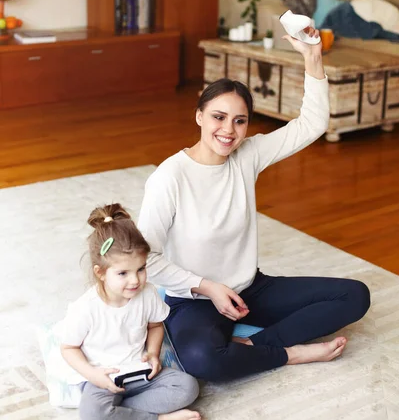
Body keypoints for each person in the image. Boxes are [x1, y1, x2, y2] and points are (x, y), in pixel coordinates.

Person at [137, 28, 371, 383]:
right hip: (195, 299)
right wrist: (208, 287)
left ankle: (253, 346)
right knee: (202, 360)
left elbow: (311, 124)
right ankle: (289, 354)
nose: (228, 130)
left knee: (355, 296)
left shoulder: (247, 156)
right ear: (199, 116)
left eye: (239, 120)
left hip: (250, 289)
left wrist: (313, 57)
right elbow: (147, 260)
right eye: (218, 117)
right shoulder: (170, 177)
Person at [60, 203, 201, 420]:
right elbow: (68, 347)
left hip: (140, 371)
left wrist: (153, 354)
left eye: (141, 269)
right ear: (101, 272)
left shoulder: (147, 293)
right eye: (123, 273)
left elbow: (155, 325)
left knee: (188, 387)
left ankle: (117, 419)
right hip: (103, 379)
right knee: (92, 415)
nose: (135, 280)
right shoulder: (86, 308)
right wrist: (92, 374)